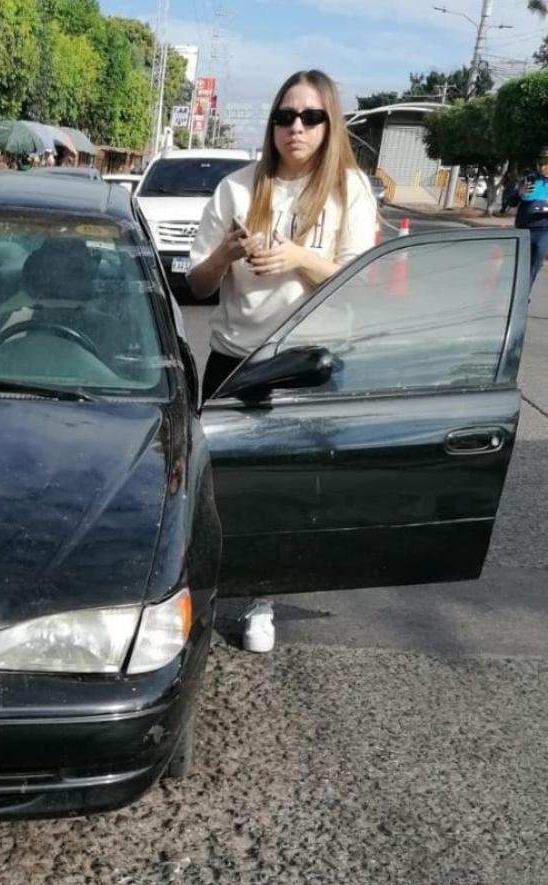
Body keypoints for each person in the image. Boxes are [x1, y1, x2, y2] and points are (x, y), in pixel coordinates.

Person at [187, 69, 378, 652]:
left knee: (290, 492)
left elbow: (360, 279)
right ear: (271, 123)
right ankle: (201, 591)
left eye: (311, 117)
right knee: (216, 487)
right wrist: (224, 254)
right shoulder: (236, 189)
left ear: (329, 124)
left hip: (308, 364)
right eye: (285, 116)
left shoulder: (349, 189)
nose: (297, 127)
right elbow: (197, 285)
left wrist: (298, 257)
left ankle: (261, 599)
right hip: (236, 360)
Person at [515, 148, 548, 287]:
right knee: (517, 264)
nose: (542, 167)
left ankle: (524, 293)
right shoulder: (528, 180)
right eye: (540, 163)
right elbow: (510, 201)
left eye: (546, 163)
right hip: (523, 228)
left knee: (535, 264)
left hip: (543, 230)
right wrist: (519, 193)